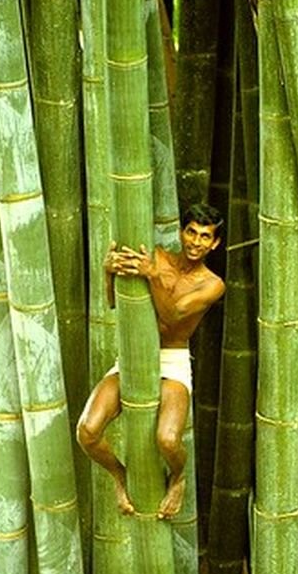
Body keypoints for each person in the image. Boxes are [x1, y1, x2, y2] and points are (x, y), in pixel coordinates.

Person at [77, 203, 225, 519]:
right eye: (191, 232)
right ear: (182, 232)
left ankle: (178, 477)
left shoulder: (211, 284)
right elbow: (115, 302)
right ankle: (120, 475)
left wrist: (151, 275)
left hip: (172, 360)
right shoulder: (157, 257)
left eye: (205, 237)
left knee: (168, 440)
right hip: (133, 354)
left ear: (215, 243)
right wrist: (109, 272)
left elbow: (173, 317)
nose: (196, 242)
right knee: (87, 432)